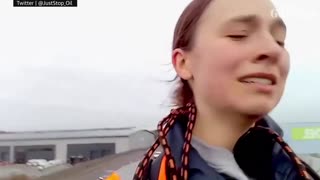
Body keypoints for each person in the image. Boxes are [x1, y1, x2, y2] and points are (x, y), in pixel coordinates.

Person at [133, 0, 320, 179]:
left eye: (279, 41)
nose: (273, 50)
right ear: (183, 63)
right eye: (239, 35)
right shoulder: (156, 173)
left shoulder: (301, 169)